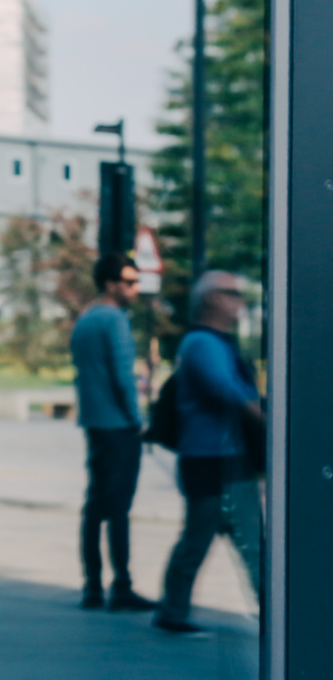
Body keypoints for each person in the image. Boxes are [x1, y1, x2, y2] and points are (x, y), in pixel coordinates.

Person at [153, 271, 263, 636]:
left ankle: (277, 613)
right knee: (199, 539)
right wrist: (267, 417)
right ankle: (172, 611)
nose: (241, 302)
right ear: (213, 299)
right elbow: (226, 390)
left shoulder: (220, 342)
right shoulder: (201, 343)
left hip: (228, 460)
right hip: (208, 462)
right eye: (234, 294)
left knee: (252, 543)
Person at [70, 253, 156, 612]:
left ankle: (92, 586)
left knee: (95, 506)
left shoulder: (85, 320)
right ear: (110, 284)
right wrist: (138, 421)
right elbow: (123, 380)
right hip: (120, 428)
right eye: (129, 281)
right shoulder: (116, 321)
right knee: (119, 508)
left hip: (94, 424)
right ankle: (121, 586)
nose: (135, 288)